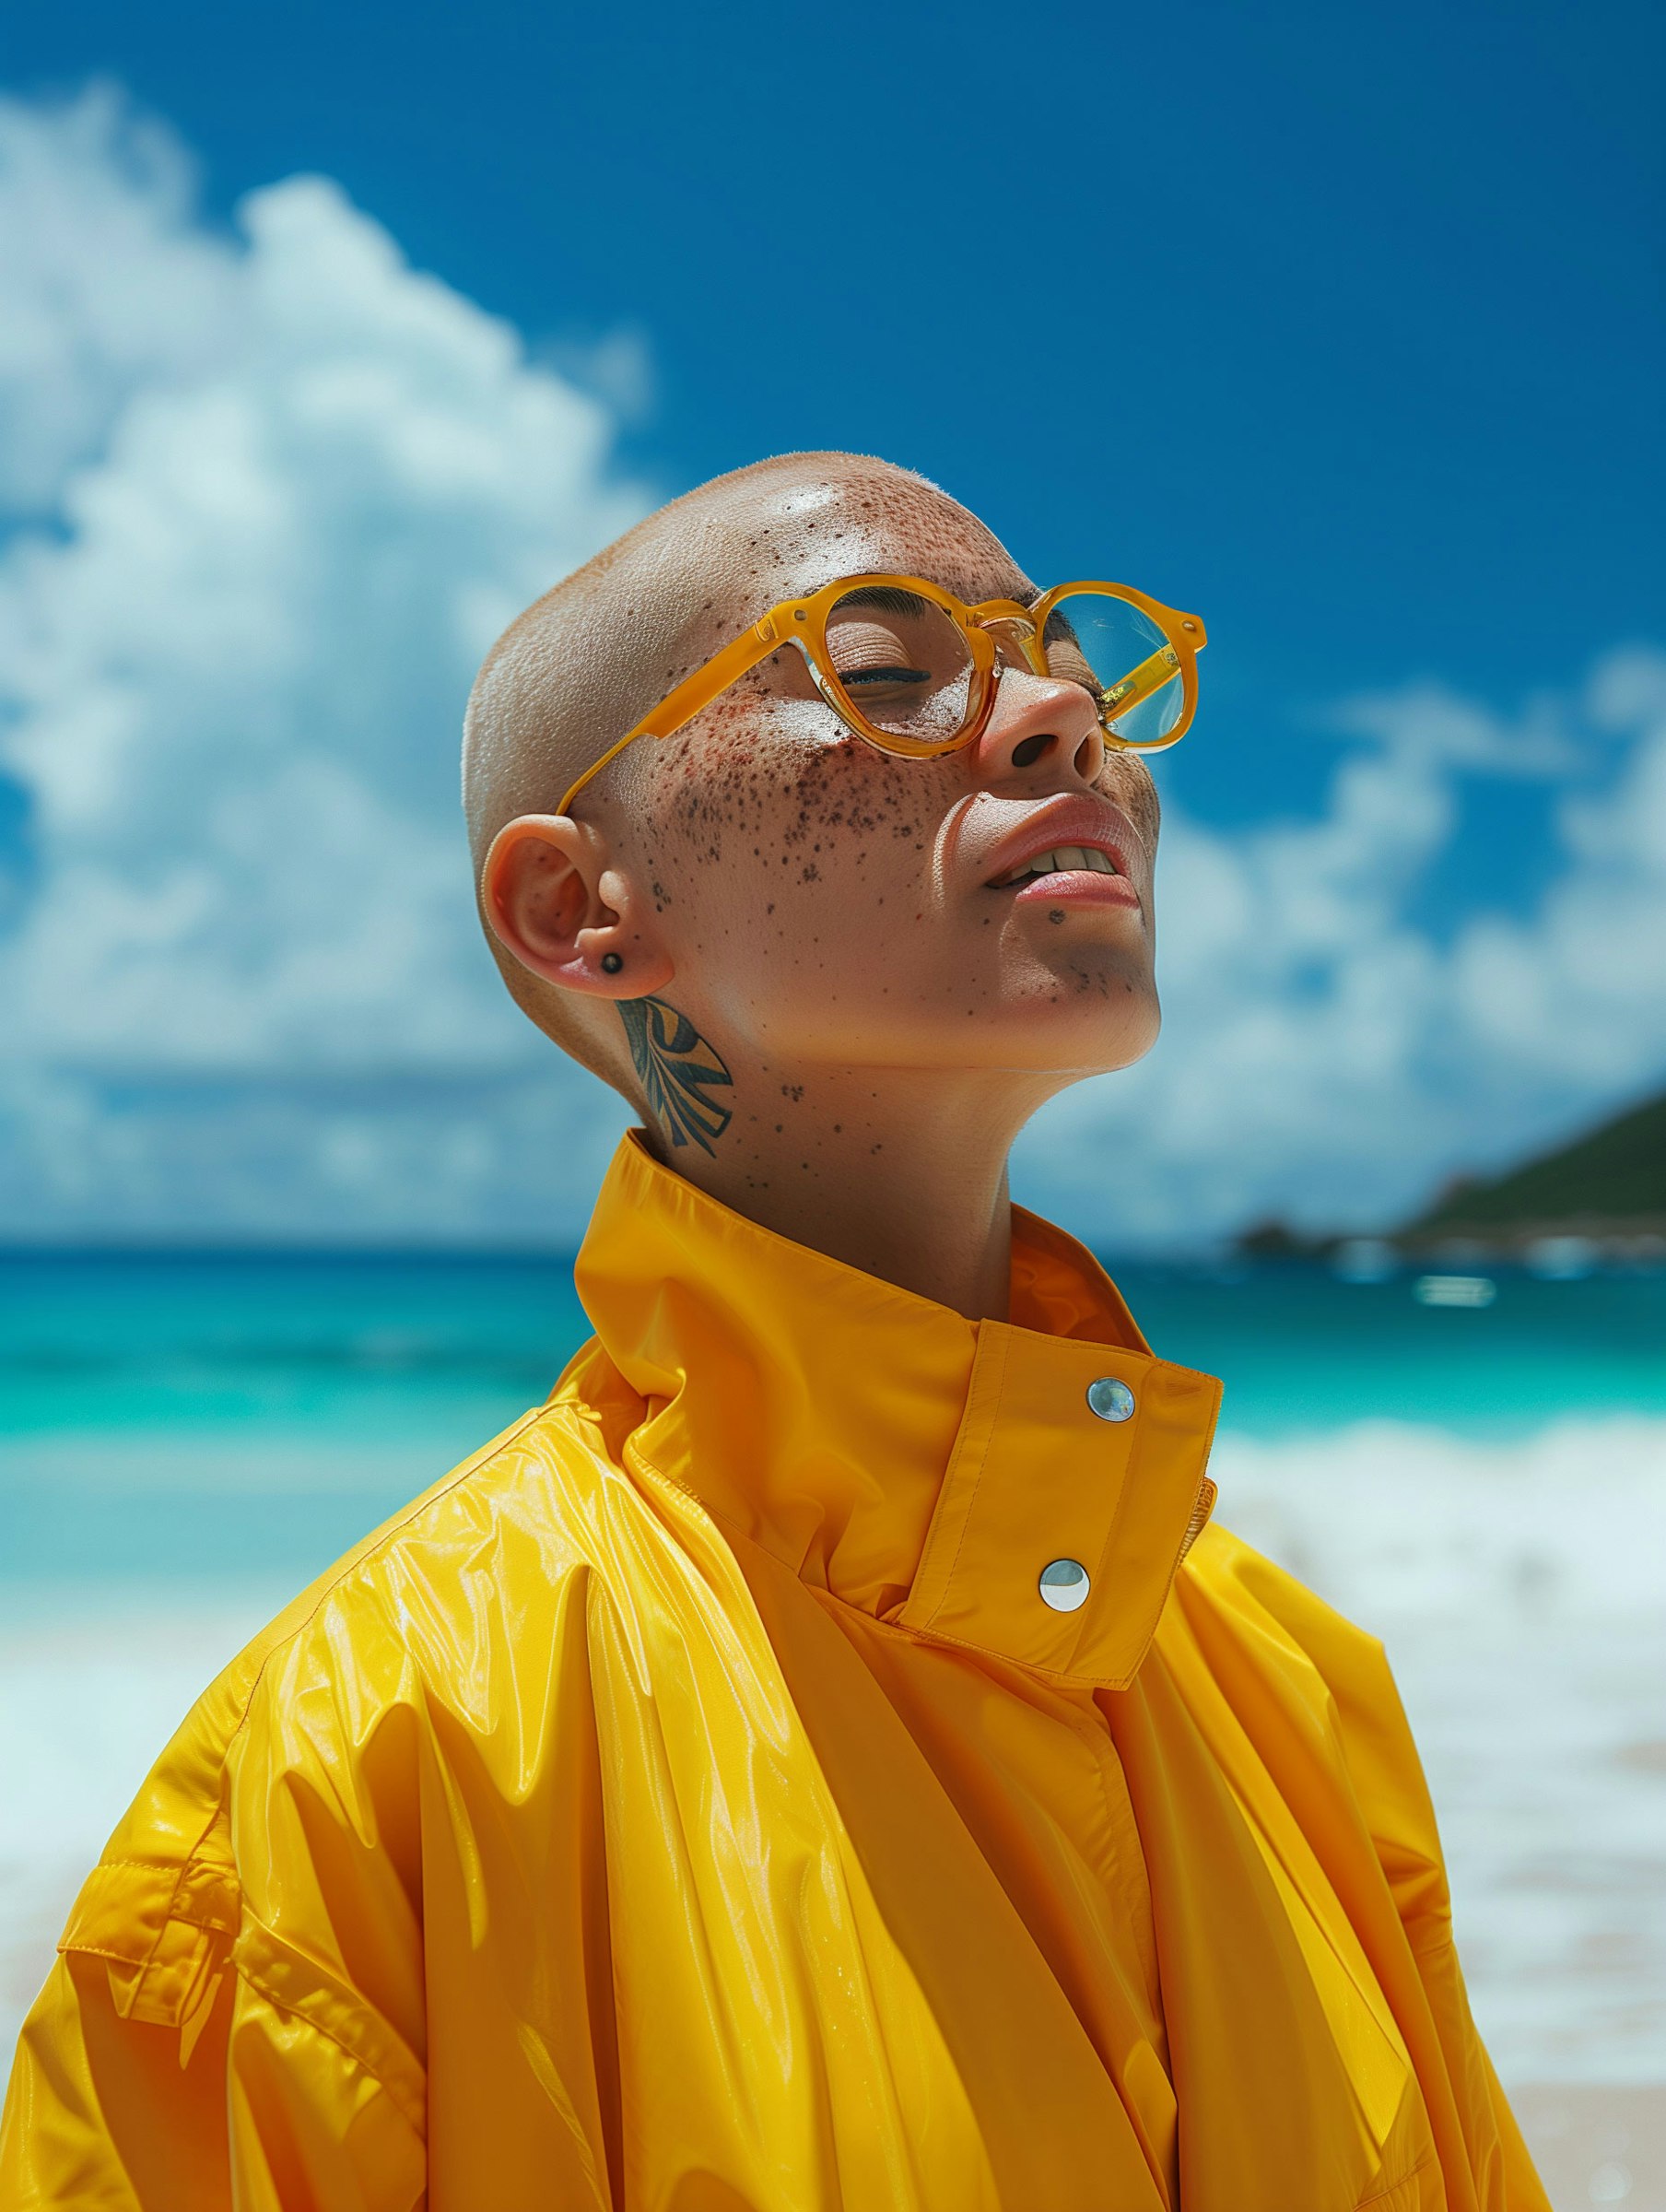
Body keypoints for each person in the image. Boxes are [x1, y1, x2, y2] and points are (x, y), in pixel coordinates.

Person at [0, 453, 1549, 2210]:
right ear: (579, 909)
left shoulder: (1296, 1688)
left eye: (1074, 667)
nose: (1056, 717)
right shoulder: (369, 1773)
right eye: (886, 672)